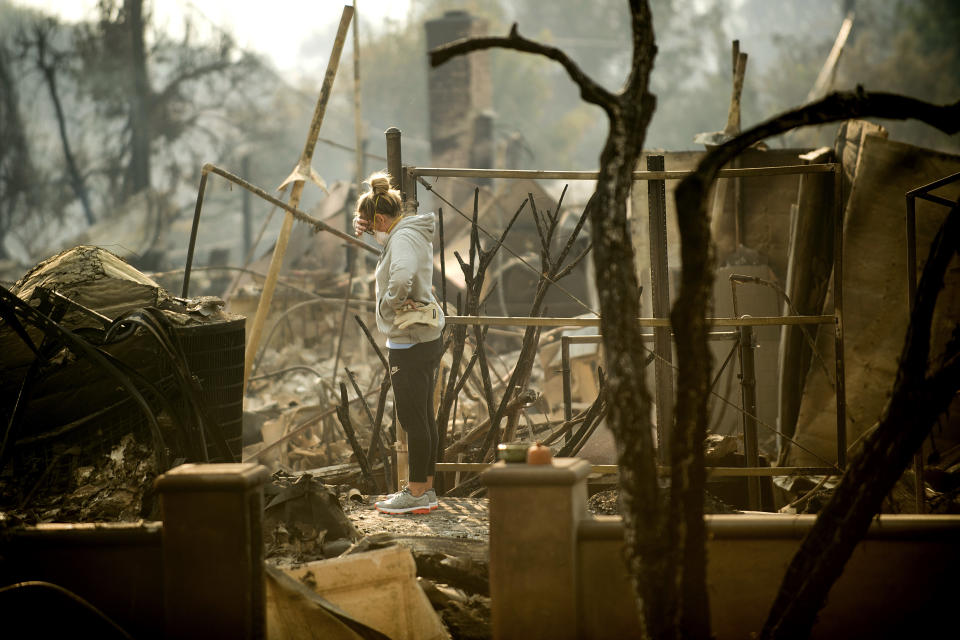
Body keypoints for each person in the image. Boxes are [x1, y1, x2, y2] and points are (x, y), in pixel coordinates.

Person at [353, 171, 445, 515]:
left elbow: (403, 274)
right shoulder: (406, 232)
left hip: (409, 340)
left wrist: (390, 302)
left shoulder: (402, 239)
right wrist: (367, 229)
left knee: (411, 416)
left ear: (381, 218)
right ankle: (425, 490)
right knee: (423, 414)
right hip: (422, 337)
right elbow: (400, 261)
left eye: (372, 225)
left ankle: (417, 492)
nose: (373, 232)